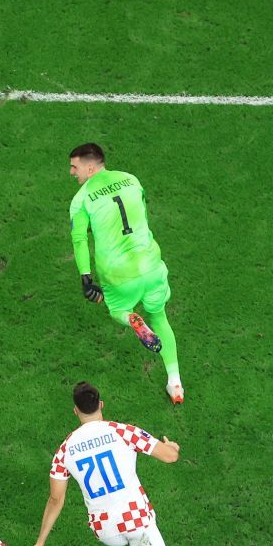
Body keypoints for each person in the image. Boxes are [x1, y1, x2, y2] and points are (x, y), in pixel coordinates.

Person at [26, 381, 182, 546]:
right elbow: (169, 456)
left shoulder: (64, 451)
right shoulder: (123, 431)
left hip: (104, 531)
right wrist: (173, 447)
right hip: (135, 521)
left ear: (75, 411)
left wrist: (41, 541)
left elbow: (56, 500)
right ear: (101, 405)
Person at [68, 142, 185, 403]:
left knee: (117, 309)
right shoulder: (131, 180)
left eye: (74, 167)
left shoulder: (81, 200)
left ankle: (132, 318)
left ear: (89, 167)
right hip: (151, 264)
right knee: (160, 317)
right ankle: (175, 384)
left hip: (119, 275)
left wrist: (86, 278)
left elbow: (79, 241)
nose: (72, 173)